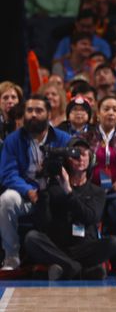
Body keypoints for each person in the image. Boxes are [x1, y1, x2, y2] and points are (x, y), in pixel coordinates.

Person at [24, 137, 116, 280]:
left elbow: (90, 217)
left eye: (84, 154)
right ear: (67, 160)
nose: (80, 158)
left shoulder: (97, 191)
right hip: (57, 247)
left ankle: (64, 267)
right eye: (75, 154)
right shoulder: (54, 189)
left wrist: (68, 192)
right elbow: (43, 224)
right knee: (31, 238)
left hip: (84, 248)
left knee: (113, 243)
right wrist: (43, 191)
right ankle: (79, 270)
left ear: (91, 159)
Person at [0, 95, 71, 270]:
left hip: (54, 194)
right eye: (29, 110)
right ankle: (11, 257)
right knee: (6, 200)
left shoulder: (63, 139)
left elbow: (72, 169)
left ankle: (61, 256)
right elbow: (8, 173)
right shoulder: (13, 140)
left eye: (39, 110)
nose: (33, 114)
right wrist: (27, 190)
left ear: (49, 114)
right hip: (26, 195)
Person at [80, 95, 116, 275]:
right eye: (106, 109)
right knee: (87, 216)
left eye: (114, 109)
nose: (110, 113)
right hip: (91, 191)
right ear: (98, 114)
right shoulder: (85, 136)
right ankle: (91, 261)